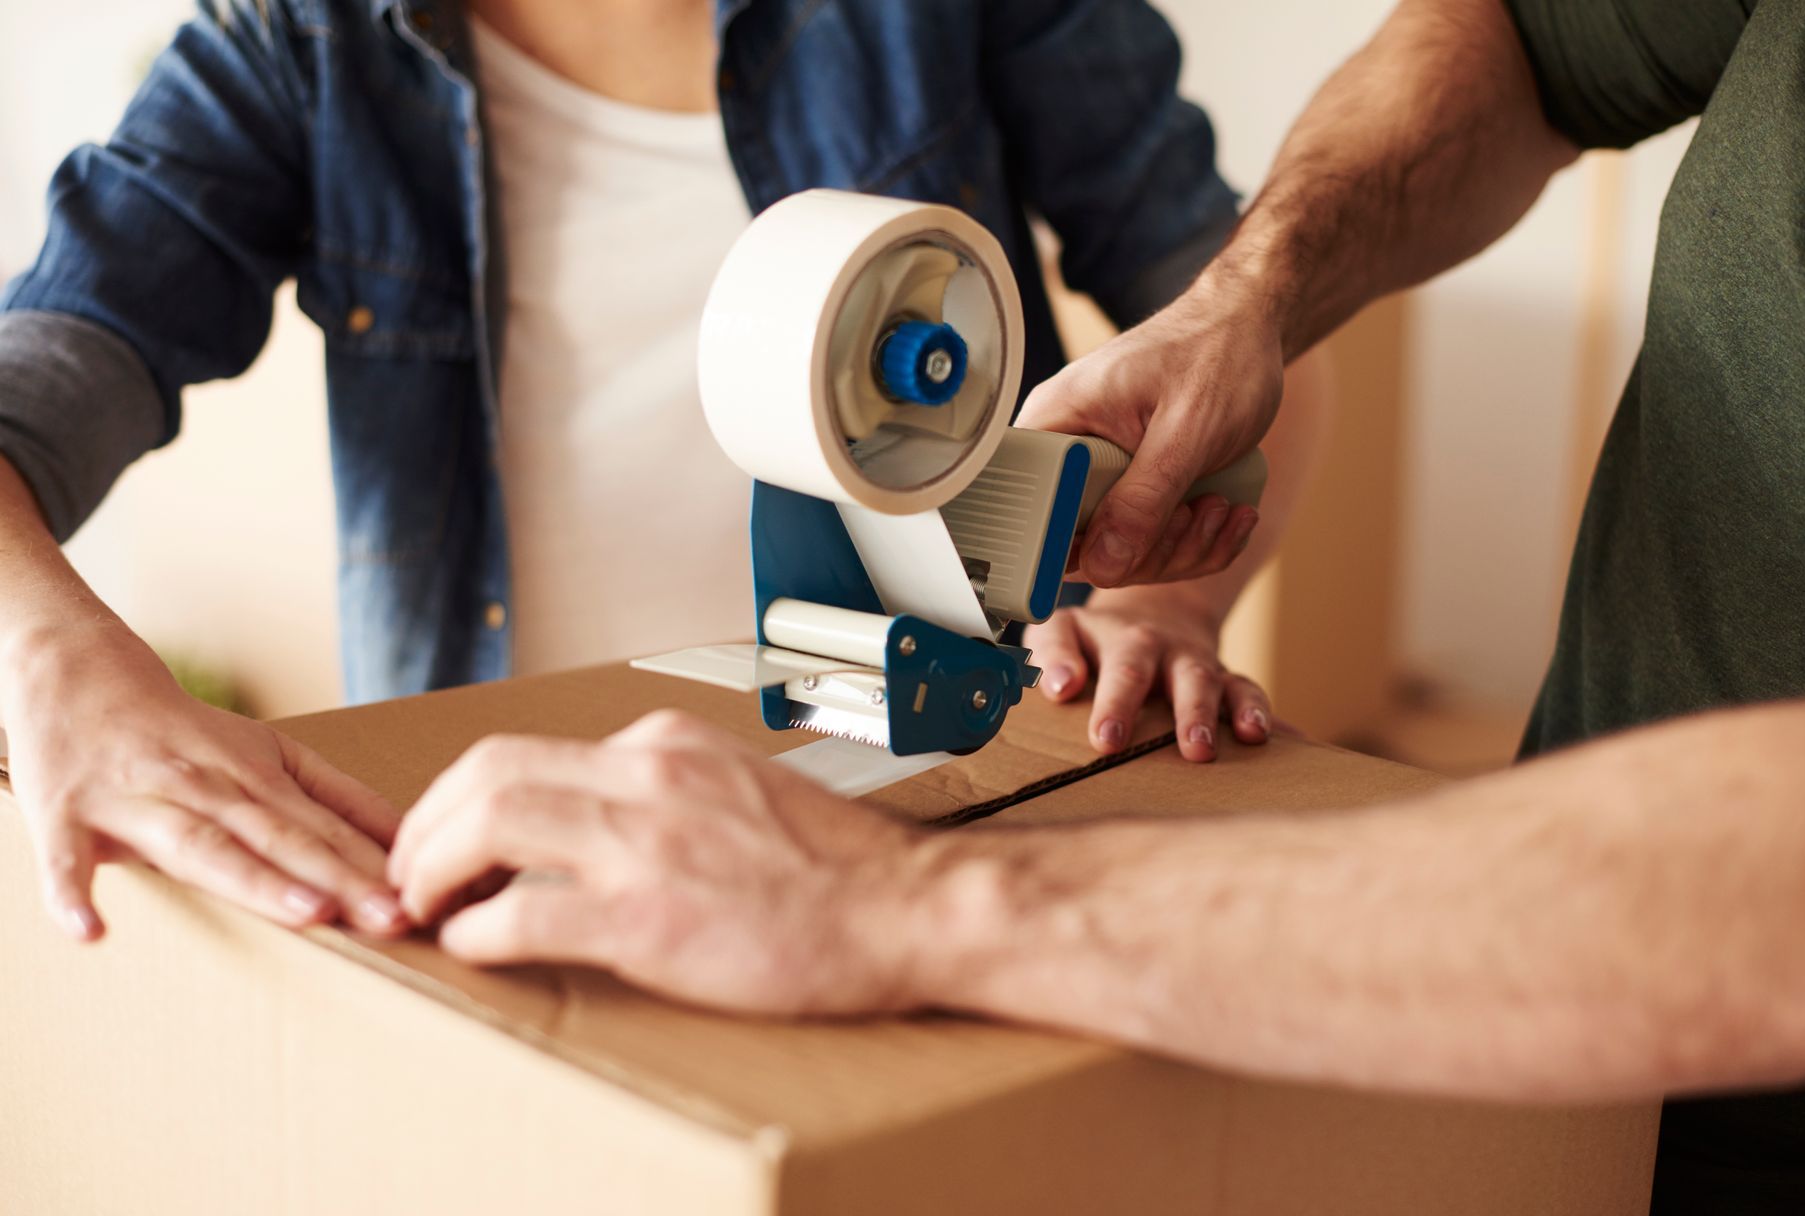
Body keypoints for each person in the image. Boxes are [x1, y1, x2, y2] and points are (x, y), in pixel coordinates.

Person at [388, 0, 1805, 1216]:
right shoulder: (307, 44)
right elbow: (1528, 37)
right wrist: (1244, 301)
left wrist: (913, 906)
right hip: (1570, 1054)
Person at [0, 0, 1325, 943]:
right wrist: (49, 653)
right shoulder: (301, 42)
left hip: (954, 792)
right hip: (494, 850)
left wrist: (1160, 604)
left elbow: (1257, 328)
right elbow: (49, 363)